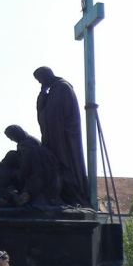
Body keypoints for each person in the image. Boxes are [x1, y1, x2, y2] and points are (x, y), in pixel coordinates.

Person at [33, 67, 89, 207]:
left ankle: (71, 196)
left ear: (46, 76)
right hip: (54, 136)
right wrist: (42, 95)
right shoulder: (52, 90)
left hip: (64, 139)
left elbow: (54, 114)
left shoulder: (62, 88)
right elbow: (44, 113)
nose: (40, 83)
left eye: (40, 79)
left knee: (64, 166)